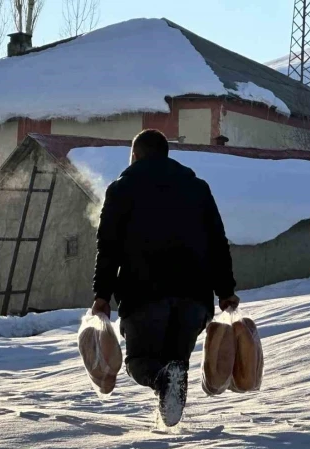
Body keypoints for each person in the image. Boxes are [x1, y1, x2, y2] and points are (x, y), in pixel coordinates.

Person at [91, 129, 239, 427]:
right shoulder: (198, 187)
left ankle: (164, 418)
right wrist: (225, 290)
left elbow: (109, 247)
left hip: (144, 295)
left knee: (140, 363)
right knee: (176, 367)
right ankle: (167, 433)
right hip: (194, 297)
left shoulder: (122, 188)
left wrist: (102, 295)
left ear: (135, 155)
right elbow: (217, 242)